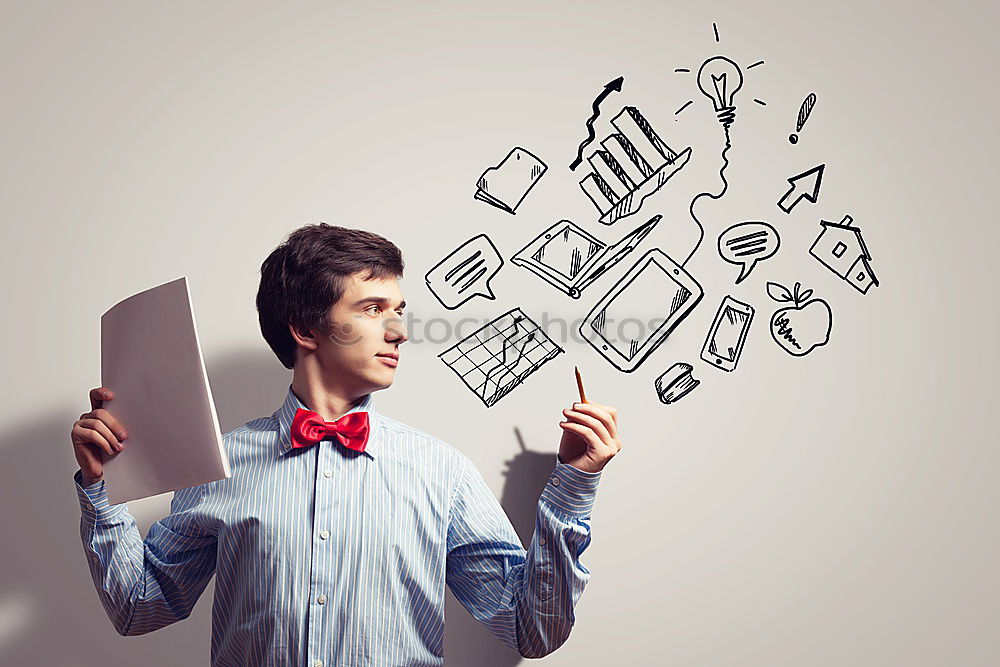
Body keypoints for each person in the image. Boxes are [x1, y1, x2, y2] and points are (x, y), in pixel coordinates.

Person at [70, 224, 623, 666]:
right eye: (372, 309)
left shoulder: (442, 471)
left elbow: (534, 629)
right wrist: (101, 488)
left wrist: (574, 484)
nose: (400, 332)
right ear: (306, 329)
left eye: (398, 311)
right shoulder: (219, 463)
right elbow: (139, 608)